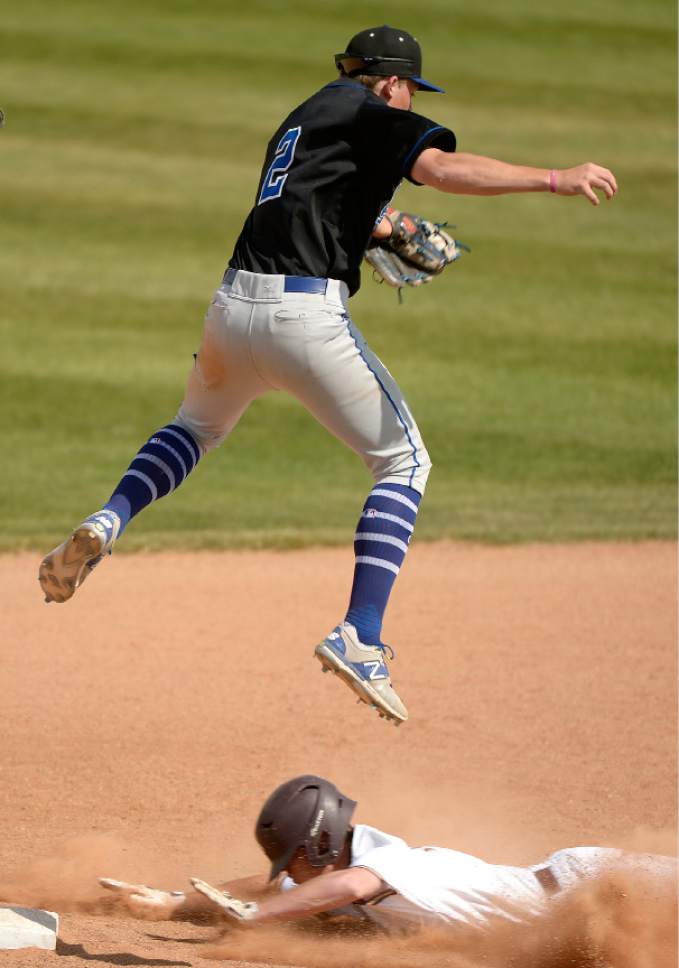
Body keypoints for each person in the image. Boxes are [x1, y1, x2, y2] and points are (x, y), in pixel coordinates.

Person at [38, 25, 617, 725]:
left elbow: (326, 198)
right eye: (409, 92)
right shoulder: (376, 113)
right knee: (403, 461)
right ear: (395, 83)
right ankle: (359, 634)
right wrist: (554, 179)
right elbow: (439, 168)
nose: (407, 105)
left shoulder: (306, 115)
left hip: (231, 308)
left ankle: (109, 518)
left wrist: (379, 226)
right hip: (303, 318)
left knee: (194, 426)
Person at [99, 774, 676, 935]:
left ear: (320, 845)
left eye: (292, 860)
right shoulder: (355, 863)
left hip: (589, 886)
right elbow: (272, 887)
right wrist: (179, 902)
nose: (288, 876)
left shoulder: (387, 869)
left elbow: (340, 891)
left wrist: (260, 917)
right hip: (567, 889)